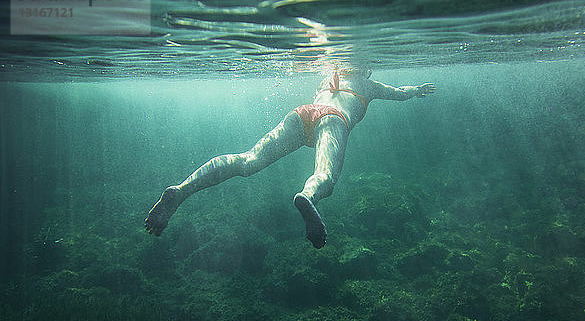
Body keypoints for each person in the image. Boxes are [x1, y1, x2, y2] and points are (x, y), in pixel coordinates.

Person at [145, 69, 435, 248]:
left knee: (249, 160)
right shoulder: (369, 84)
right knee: (327, 177)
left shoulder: (328, 76)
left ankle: (181, 190)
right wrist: (417, 90)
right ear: (366, 70)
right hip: (334, 120)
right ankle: (308, 196)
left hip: (303, 112)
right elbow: (400, 93)